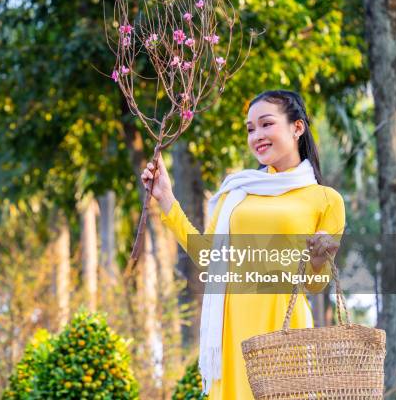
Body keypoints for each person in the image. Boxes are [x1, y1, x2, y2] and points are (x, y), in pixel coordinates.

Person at [141, 90, 345, 399]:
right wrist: (166, 197)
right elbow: (208, 255)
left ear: (297, 127)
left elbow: (314, 285)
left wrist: (319, 258)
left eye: (266, 124)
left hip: (284, 329)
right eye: (250, 129)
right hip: (231, 328)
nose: (257, 136)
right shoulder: (237, 192)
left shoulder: (325, 200)